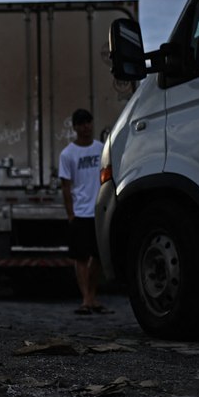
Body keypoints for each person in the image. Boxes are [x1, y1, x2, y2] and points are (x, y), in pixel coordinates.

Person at [59, 108, 112, 315]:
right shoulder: (68, 154)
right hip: (80, 212)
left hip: (98, 212)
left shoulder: (101, 149)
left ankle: (92, 295)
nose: (86, 127)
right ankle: (86, 299)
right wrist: (70, 213)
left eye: (88, 122)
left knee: (97, 257)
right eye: (81, 124)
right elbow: (66, 186)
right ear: (75, 127)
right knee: (80, 258)